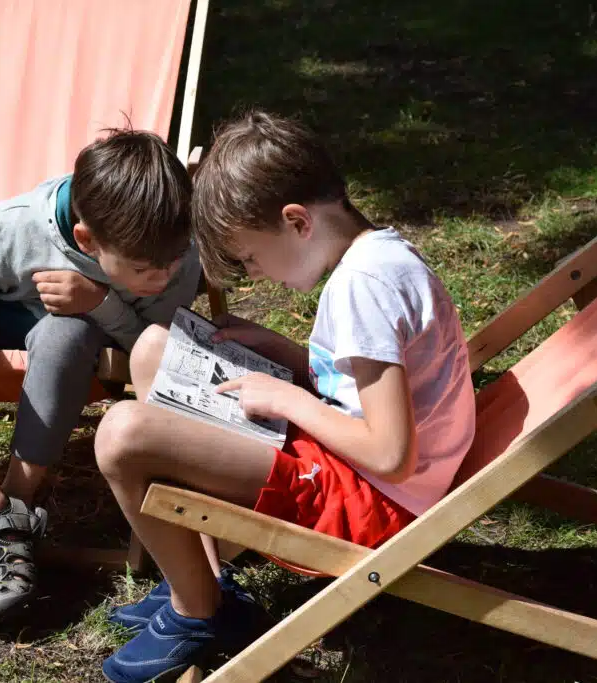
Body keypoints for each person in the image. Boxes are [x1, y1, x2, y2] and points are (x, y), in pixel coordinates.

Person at [92, 111, 476, 682]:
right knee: (153, 347)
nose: (256, 271)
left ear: (296, 222)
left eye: (250, 257)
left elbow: (392, 453)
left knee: (123, 434)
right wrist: (287, 356)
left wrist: (290, 399)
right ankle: (200, 575)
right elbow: (366, 387)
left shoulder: (360, 288)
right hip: (358, 470)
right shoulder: (379, 257)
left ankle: (197, 610)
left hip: (372, 503)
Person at [0, 128, 201, 624]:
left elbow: (151, 353)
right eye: (147, 270)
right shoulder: (19, 227)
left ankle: (13, 508)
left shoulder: (175, 252)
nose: (166, 276)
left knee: (69, 332)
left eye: (175, 262)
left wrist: (101, 302)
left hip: (73, 347)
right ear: (86, 239)